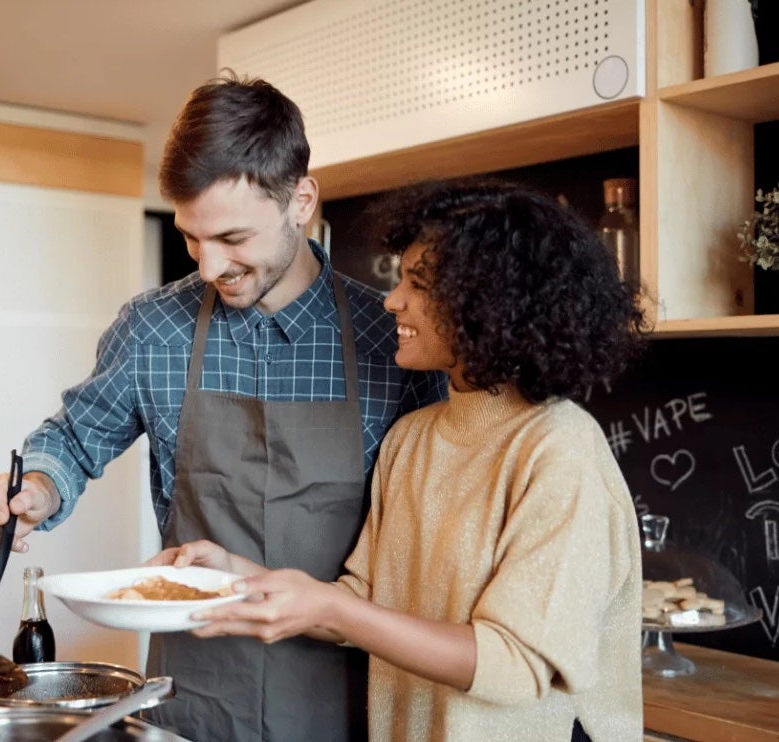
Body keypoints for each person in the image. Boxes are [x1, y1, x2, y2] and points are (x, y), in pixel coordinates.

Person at [0, 72, 448, 742]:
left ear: (301, 200)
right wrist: (38, 488)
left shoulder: (391, 340)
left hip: (346, 694)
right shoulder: (153, 327)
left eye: (233, 238)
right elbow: (76, 439)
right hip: (192, 695)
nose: (208, 266)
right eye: (193, 238)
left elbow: (423, 541)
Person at [154, 177, 651, 741]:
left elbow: (515, 663)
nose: (392, 299)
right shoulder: (413, 437)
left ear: (488, 303)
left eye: (419, 283)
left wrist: (332, 609)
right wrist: (234, 575)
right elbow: (360, 604)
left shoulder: (558, 449)